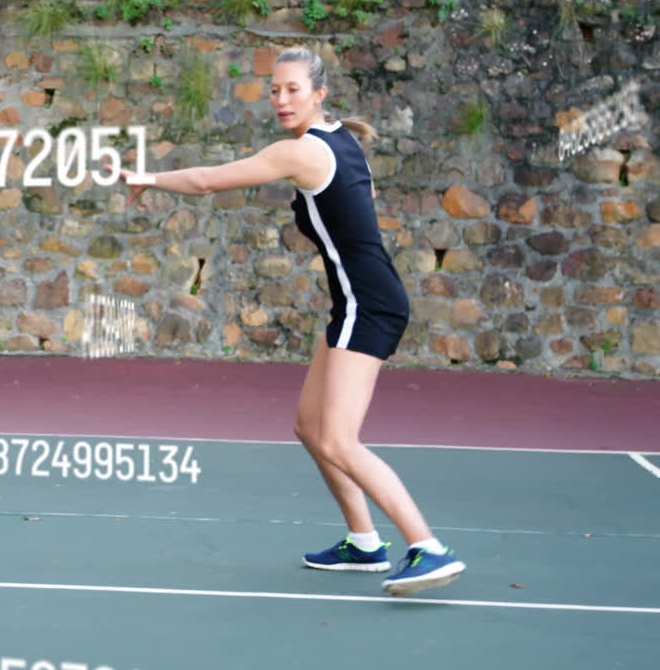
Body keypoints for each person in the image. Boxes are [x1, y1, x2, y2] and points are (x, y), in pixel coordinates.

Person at [113, 47, 465, 596]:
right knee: (309, 427)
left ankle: (428, 548)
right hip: (360, 299)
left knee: (340, 440)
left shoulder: (300, 152)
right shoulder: (343, 138)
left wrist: (148, 178)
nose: (280, 99)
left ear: (318, 94)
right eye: (274, 90)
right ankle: (364, 542)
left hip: (367, 304)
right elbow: (361, 202)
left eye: (292, 89)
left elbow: (209, 180)